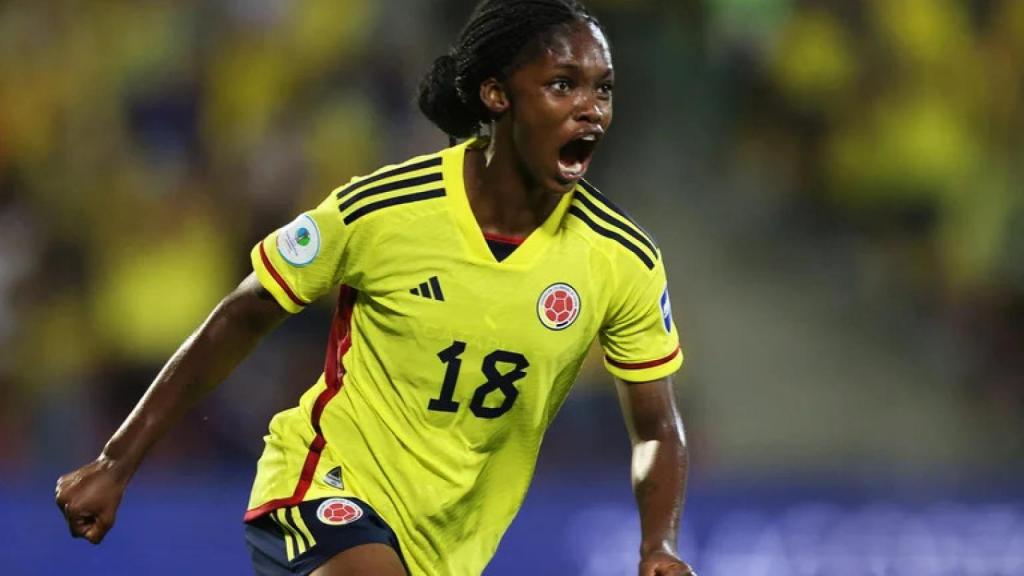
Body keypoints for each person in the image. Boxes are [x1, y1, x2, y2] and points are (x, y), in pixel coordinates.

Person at [55, 0, 695, 574]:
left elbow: (656, 429)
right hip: (322, 488)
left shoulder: (622, 260)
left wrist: (658, 545)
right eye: (563, 85)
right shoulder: (386, 210)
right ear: (498, 95)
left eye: (603, 90)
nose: (591, 108)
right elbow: (244, 314)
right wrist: (117, 461)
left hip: (448, 546)